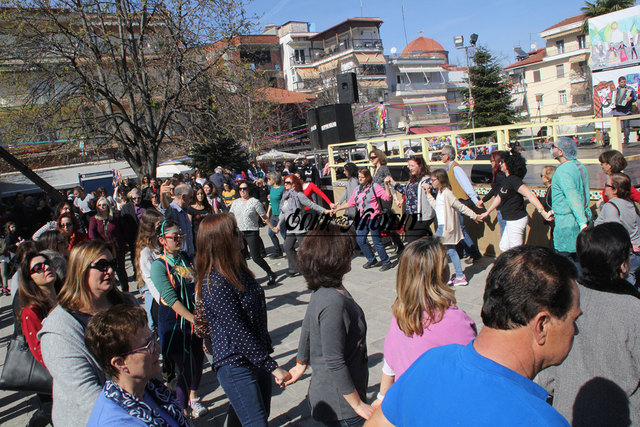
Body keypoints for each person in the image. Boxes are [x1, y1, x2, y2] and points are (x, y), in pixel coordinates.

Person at [366, 246, 581, 427]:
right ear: (542, 325)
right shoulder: (543, 421)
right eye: (573, 320)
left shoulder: (430, 361)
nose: (576, 330)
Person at [537, 223, 640, 426]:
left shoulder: (563, 299)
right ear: (623, 265)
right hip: (620, 416)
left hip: (568, 412)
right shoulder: (632, 309)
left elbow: (545, 370)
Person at [195, 214, 290, 426]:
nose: (241, 235)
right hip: (234, 362)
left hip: (255, 357)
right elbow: (237, 330)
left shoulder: (237, 269)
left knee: (253, 418)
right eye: (235, 231)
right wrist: (272, 366)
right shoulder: (215, 282)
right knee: (256, 422)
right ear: (222, 240)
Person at [372, 238, 477, 409]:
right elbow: (472, 376)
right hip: (438, 409)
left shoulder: (400, 313)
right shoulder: (455, 322)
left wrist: (382, 399)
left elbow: (389, 364)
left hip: (406, 405)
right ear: (441, 274)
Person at [38, 240, 133, 426]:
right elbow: (85, 393)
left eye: (112, 264)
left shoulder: (127, 303)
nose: (110, 271)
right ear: (80, 269)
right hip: (95, 418)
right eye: (102, 266)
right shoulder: (60, 327)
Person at [285, 225, 371, 426]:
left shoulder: (325, 289)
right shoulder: (333, 302)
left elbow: (307, 325)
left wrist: (300, 363)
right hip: (342, 407)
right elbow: (334, 360)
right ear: (335, 258)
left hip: (334, 397)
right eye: (347, 250)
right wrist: (358, 405)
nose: (351, 253)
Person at [84, 305, 190, 426]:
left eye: (154, 339)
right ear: (120, 363)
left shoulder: (149, 388)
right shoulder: (118, 423)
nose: (157, 348)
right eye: (148, 345)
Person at [149, 219, 206, 417]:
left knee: (198, 361)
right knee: (182, 369)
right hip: (174, 324)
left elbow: (197, 281)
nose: (179, 239)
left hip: (193, 319)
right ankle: (181, 411)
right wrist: (193, 318)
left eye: (181, 235)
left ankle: (194, 398)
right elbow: (170, 298)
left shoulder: (184, 257)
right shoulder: (158, 266)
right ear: (162, 240)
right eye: (175, 237)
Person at [478, 151, 554, 252]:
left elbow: (530, 195)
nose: (499, 164)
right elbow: (499, 197)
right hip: (510, 219)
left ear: (509, 164)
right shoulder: (507, 180)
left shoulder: (514, 180)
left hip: (516, 219)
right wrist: (487, 212)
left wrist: (543, 212)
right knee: (504, 247)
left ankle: (521, 266)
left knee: (516, 251)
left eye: (502, 162)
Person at [17, 252, 60, 427]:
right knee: (50, 411)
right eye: (38, 268)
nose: (46, 267)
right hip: (53, 376)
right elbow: (40, 352)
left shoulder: (63, 296)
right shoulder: (30, 311)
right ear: (30, 278)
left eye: (47, 262)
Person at [424, 169, 481, 287]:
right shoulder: (440, 192)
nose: (431, 182)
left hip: (445, 228)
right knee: (450, 251)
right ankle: (459, 275)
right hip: (442, 226)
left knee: (438, 251)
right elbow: (437, 207)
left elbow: (460, 206)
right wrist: (428, 194)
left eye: (433, 180)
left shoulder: (447, 193)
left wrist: (474, 216)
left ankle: (442, 276)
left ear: (440, 180)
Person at [332, 168, 394, 272]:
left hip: (374, 218)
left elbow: (387, 197)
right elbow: (351, 202)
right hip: (363, 217)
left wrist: (387, 186)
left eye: (362, 177)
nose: (360, 179)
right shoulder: (357, 189)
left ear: (368, 177)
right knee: (360, 239)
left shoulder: (375, 187)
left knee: (376, 241)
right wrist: (338, 208)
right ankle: (372, 259)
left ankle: (387, 262)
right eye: (359, 177)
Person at [271, 174, 331, 277]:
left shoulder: (299, 195)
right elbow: (283, 212)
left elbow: (311, 204)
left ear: (294, 184)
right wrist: (278, 225)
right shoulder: (286, 195)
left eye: (288, 182)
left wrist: (324, 210)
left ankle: (315, 267)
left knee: (305, 250)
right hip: (290, 228)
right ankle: (294, 268)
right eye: (285, 182)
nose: (285, 184)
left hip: (300, 227)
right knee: (287, 246)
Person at [549, 136, 591, 263]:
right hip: (581, 215)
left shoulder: (563, 171)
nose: (551, 149)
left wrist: (582, 223)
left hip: (568, 224)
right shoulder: (579, 166)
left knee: (568, 265)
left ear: (561, 152)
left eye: (554, 147)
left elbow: (573, 197)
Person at [594, 172, 640, 286]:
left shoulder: (611, 206)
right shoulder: (629, 203)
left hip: (624, 256)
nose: (605, 188)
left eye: (607, 185)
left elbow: (614, 232)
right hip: (635, 253)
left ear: (614, 190)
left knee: (626, 287)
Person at [440, 144, 483, 262]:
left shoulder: (455, 168)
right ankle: (463, 251)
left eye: (442, 154)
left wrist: (475, 200)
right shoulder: (449, 168)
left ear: (448, 156)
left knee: (460, 229)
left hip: (460, 201)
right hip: (455, 201)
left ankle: (474, 253)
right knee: (457, 228)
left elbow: (466, 185)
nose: (441, 156)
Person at [229, 180, 277, 285]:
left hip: (252, 232)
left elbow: (263, 217)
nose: (242, 191)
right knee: (241, 258)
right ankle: (246, 278)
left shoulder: (254, 202)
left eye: (244, 189)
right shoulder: (236, 202)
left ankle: (270, 272)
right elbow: (230, 217)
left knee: (256, 257)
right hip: (238, 233)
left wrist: (272, 227)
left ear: (249, 190)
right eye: (240, 189)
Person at [384, 156, 435, 243]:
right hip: (412, 215)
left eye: (412, 166)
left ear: (420, 166)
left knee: (412, 240)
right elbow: (406, 191)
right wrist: (392, 182)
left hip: (423, 216)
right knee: (424, 240)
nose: (410, 168)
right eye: (409, 166)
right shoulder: (413, 179)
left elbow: (436, 193)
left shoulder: (427, 180)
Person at [88, 197, 129, 292]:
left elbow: (124, 230)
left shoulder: (115, 217)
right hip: (104, 249)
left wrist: (125, 243)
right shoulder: (94, 219)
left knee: (120, 269)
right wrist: (98, 247)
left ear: (108, 206)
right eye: (99, 205)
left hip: (117, 247)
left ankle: (125, 290)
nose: (101, 207)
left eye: (104, 205)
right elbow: (92, 235)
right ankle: (112, 291)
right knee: (107, 270)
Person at [369, 148, 404, 253]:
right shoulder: (375, 169)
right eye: (370, 157)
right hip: (378, 198)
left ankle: (397, 243)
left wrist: (396, 198)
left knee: (386, 220)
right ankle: (389, 241)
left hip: (385, 197)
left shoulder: (383, 168)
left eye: (373, 157)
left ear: (379, 157)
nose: (371, 159)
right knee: (383, 221)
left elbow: (390, 182)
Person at [134, 209, 164, 332]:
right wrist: (163, 301)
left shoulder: (158, 244)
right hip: (156, 296)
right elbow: (151, 280)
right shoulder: (146, 252)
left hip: (164, 291)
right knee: (152, 327)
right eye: (159, 225)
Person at [477, 151, 507, 235]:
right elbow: (494, 189)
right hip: (503, 208)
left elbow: (498, 193)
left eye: (492, 160)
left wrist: (486, 207)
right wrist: (483, 200)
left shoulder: (500, 176)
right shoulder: (499, 175)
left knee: (505, 235)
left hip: (503, 209)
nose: (491, 163)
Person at [164, 183, 195, 257]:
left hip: (190, 255)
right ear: (183, 197)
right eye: (190, 197)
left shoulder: (185, 211)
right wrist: (162, 195)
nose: (191, 200)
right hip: (179, 256)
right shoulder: (172, 211)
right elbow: (164, 209)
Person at [609, 76, 636, 144]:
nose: (623, 83)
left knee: (626, 126)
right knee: (616, 127)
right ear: (618, 82)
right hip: (616, 111)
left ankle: (626, 140)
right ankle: (616, 141)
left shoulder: (630, 89)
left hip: (626, 111)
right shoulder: (615, 91)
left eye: (624, 82)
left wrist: (631, 98)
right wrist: (612, 102)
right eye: (622, 82)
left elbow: (634, 98)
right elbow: (612, 100)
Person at [266, 172, 285, 258]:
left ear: (274, 179)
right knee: (271, 233)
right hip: (273, 214)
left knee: (284, 234)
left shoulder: (282, 189)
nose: (268, 181)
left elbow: (285, 203)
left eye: (269, 179)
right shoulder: (272, 188)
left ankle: (290, 249)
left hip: (281, 214)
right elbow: (271, 201)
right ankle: (278, 251)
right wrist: (267, 212)